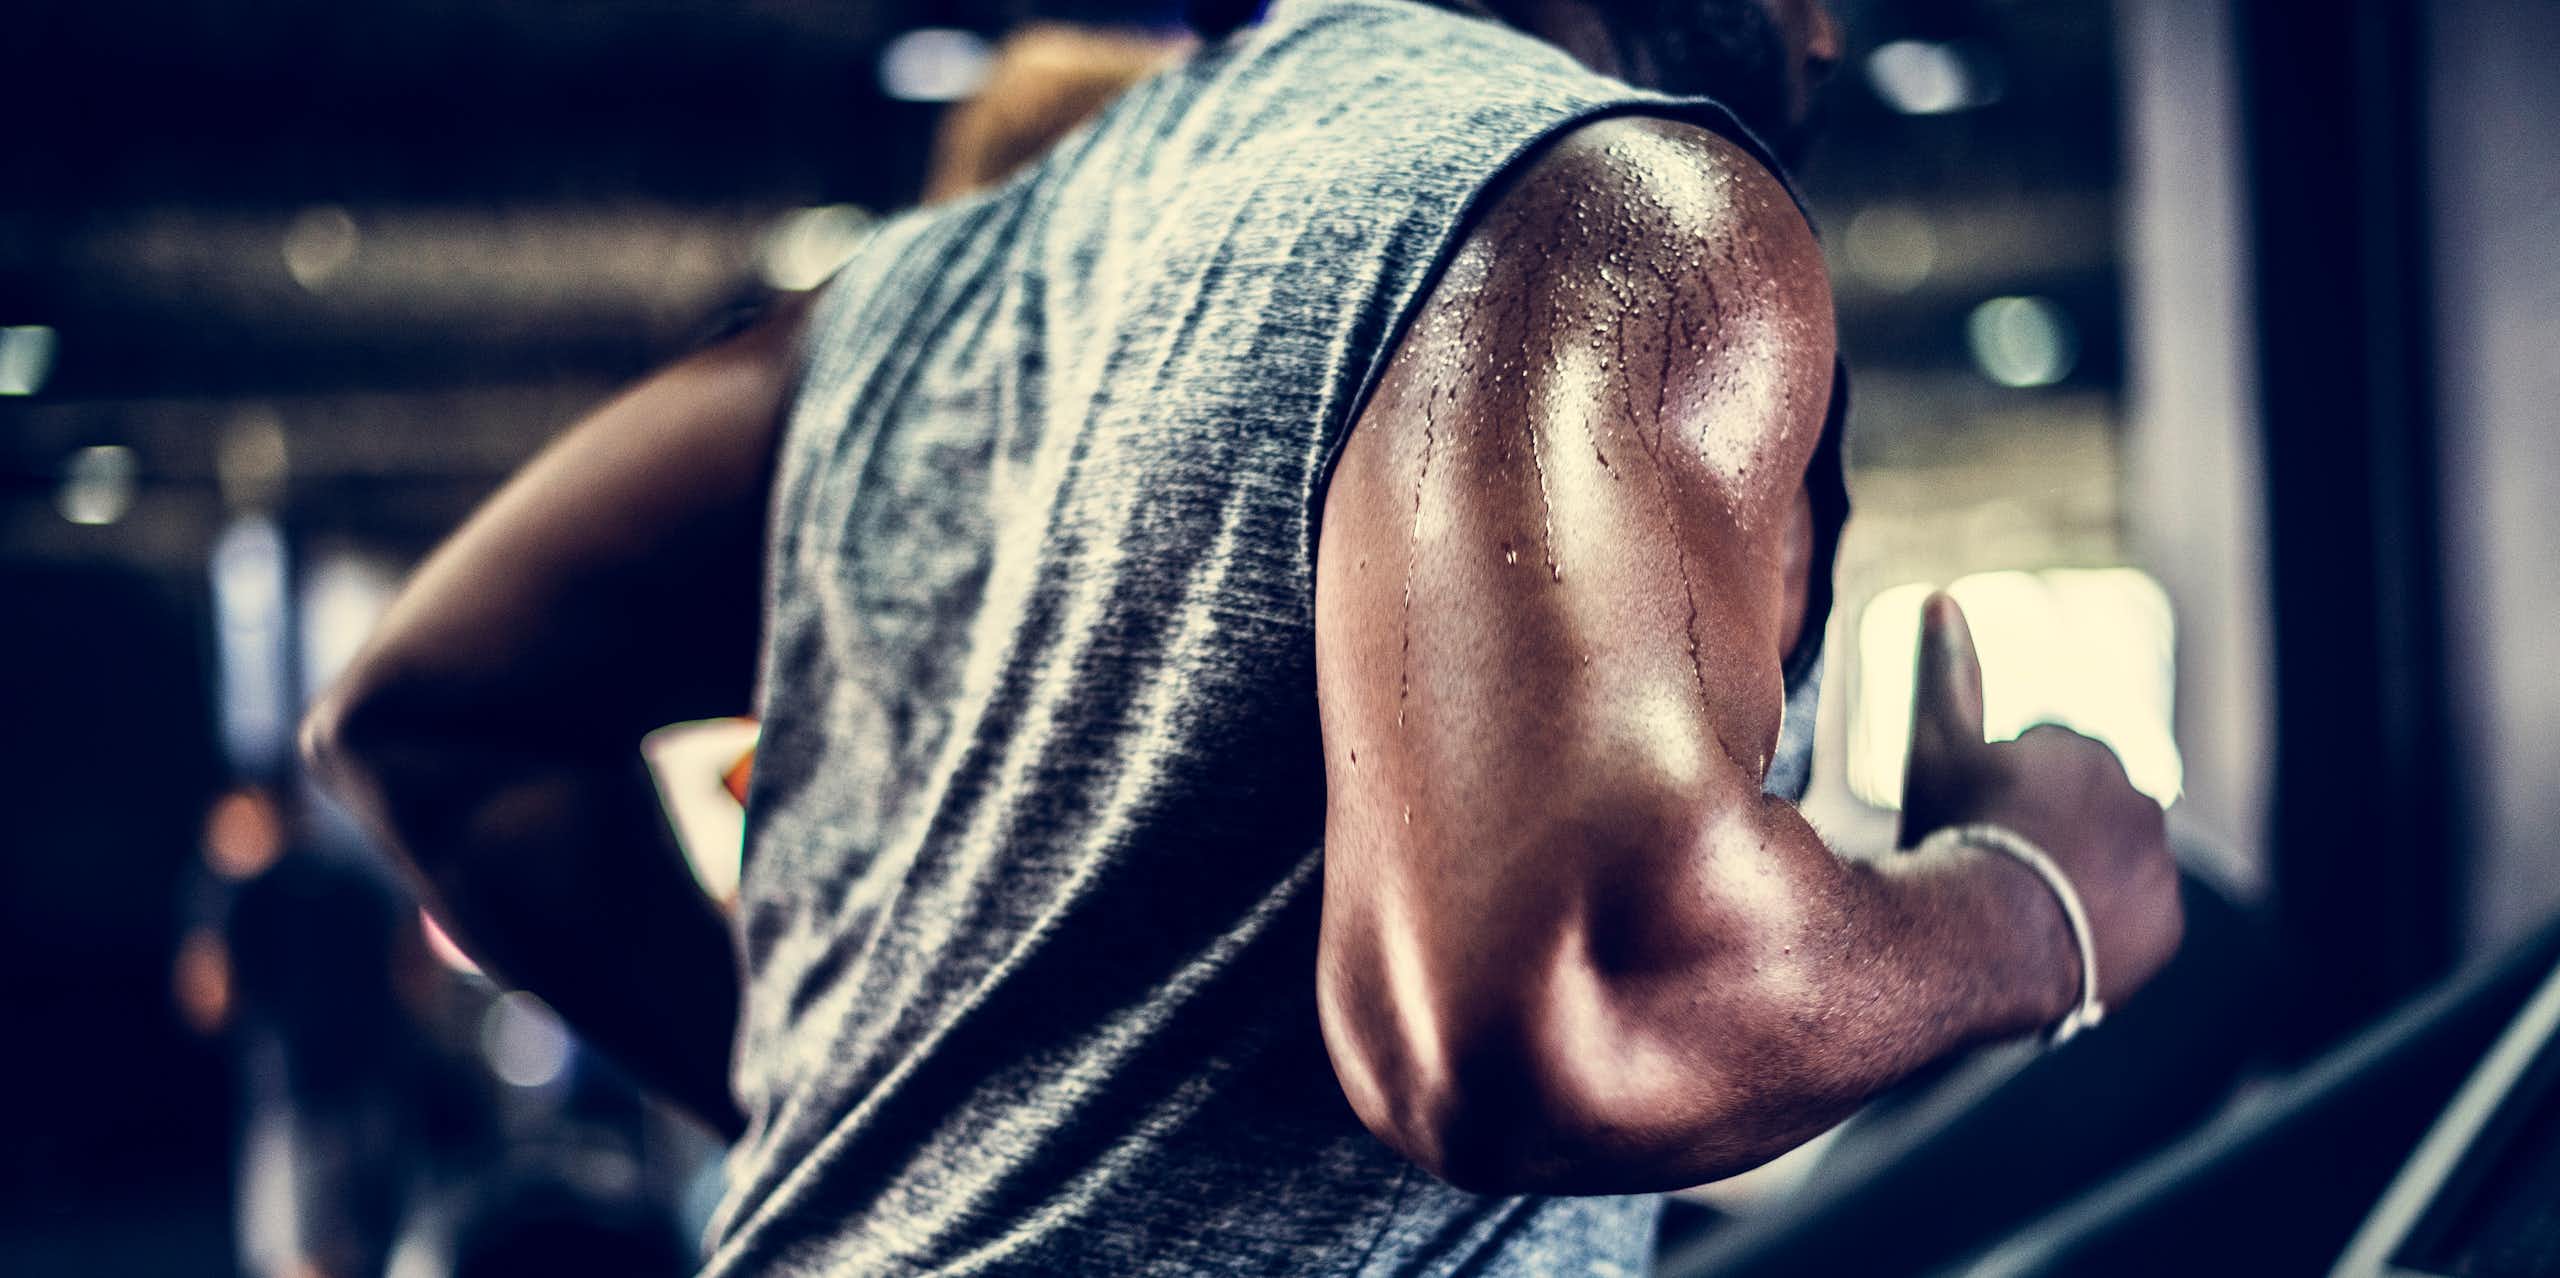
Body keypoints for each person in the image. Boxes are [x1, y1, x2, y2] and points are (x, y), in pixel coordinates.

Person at [303, 0, 2185, 1273]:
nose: (1827, 28)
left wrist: (907, 1132)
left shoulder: (907, 303)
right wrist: (2040, 897)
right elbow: (1573, 1001)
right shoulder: (1605, 199)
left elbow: (429, 715)